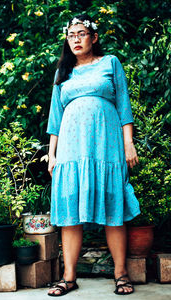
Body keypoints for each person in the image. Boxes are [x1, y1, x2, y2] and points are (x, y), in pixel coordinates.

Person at [46, 13, 140, 297]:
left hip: (106, 147)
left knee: (113, 208)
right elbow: (55, 118)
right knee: (70, 210)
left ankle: (121, 275)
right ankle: (69, 277)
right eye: (71, 34)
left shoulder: (110, 63)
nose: (76, 39)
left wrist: (129, 143)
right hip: (71, 151)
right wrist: (52, 155)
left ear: (93, 37)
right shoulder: (63, 72)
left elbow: (123, 106)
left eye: (81, 33)